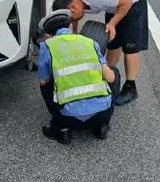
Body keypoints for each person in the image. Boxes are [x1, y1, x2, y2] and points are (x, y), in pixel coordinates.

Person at [54, 0, 147, 106]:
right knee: (113, 42)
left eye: (72, 18)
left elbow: (126, 2)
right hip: (113, 4)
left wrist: (113, 23)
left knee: (130, 46)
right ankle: (109, 77)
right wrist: (72, 36)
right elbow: (72, 20)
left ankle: (131, 88)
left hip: (132, 0)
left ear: (73, 8)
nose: (73, 21)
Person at [37, 9, 121, 144]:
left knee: (45, 83)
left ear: (48, 35)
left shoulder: (47, 46)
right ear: (70, 26)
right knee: (114, 72)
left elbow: (43, 81)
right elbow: (110, 78)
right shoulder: (90, 42)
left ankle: (61, 129)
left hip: (68, 118)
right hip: (101, 114)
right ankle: (102, 126)